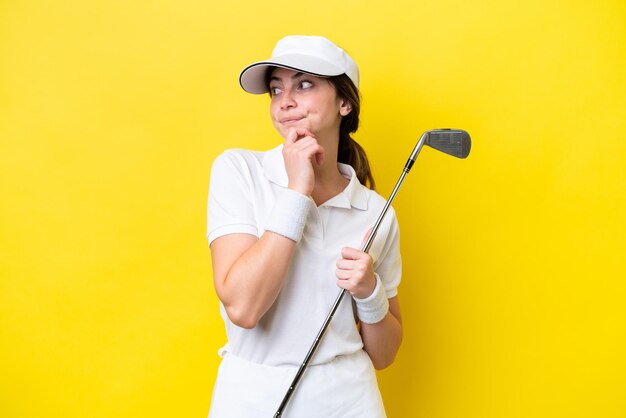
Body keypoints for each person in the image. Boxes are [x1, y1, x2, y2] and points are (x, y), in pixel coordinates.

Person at [206, 35, 403, 418]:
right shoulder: (239, 171)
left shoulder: (375, 211)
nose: (285, 101)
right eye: (276, 90)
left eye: (304, 84)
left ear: (345, 103)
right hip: (251, 400)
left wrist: (370, 291)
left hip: (350, 401)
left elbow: (385, 354)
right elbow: (244, 308)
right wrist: (298, 191)